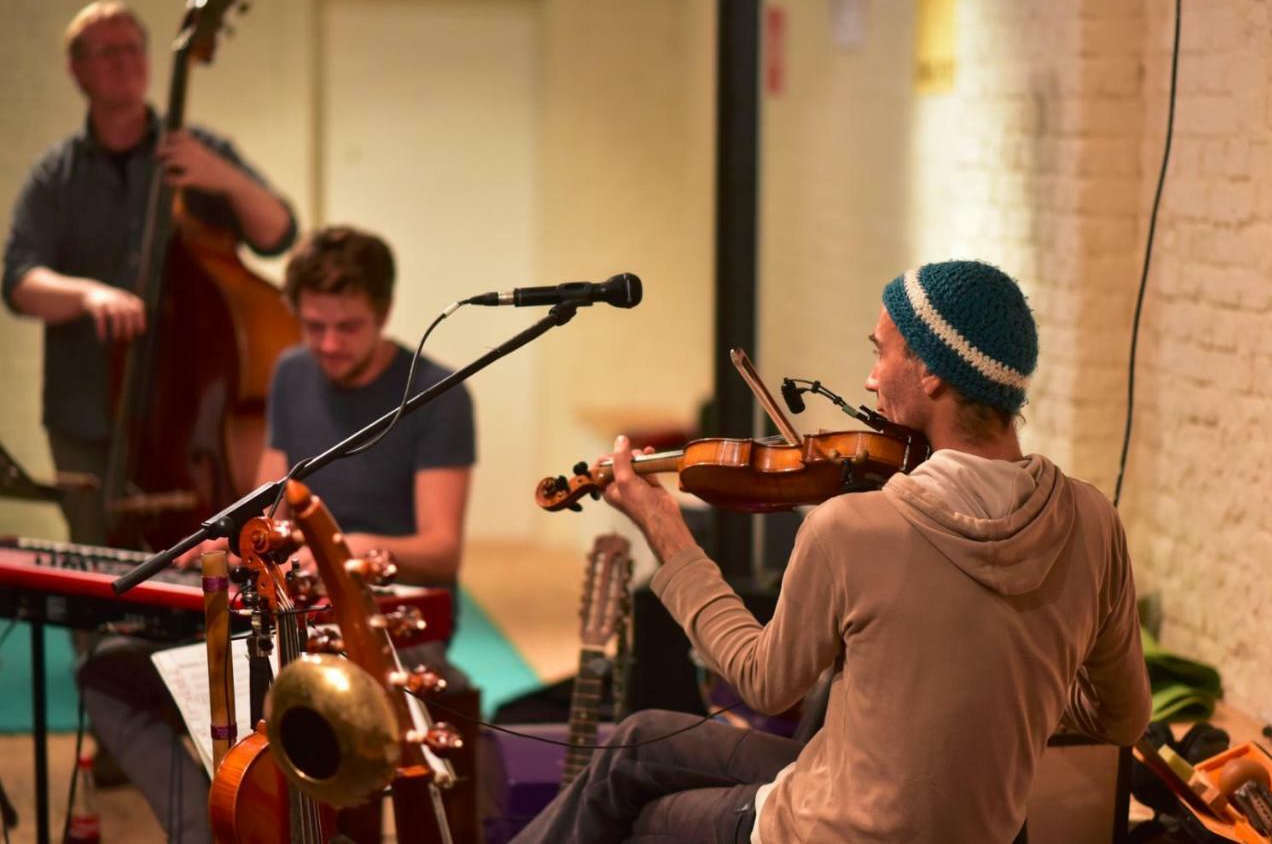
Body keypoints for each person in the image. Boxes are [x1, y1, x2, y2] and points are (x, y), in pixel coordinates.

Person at [514, 260, 1152, 843]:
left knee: (646, 822)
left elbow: (763, 682)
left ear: (931, 371)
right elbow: (1121, 719)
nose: (871, 378)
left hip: (831, 832)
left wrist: (666, 530)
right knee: (635, 743)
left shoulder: (853, 529)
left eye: (882, 354)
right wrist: (1006, 688)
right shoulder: (1094, 522)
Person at [1, 0, 297, 546]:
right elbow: (19, 281)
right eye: (108, 51)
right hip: (85, 410)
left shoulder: (198, 151)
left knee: (202, 566)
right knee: (95, 561)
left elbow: (279, 232)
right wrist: (89, 295)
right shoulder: (56, 175)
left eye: (134, 48)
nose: (126, 61)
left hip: (193, 418)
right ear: (77, 69)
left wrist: (224, 178)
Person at [254, 224, 476, 682]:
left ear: (385, 312)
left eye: (349, 327)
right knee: (119, 667)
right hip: (302, 600)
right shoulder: (290, 372)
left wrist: (350, 549)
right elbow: (271, 500)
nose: (330, 344)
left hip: (395, 614)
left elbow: (442, 553)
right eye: (314, 326)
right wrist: (243, 537)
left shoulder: (440, 394)